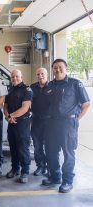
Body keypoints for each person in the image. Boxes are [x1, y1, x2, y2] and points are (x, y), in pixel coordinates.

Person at [42, 59, 90, 193]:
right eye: (55, 68)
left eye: (60, 67)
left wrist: (76, 120)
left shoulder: (75, 84)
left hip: (68, 124)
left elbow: (86, 104)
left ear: (66, 68)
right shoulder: (49, 85)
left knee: (68, 153)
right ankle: (55, 177)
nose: (57, 70)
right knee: (51, 152)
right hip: (52, 123)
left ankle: (67, 181)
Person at [4, 69, 32, 183]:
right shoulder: (10, 89)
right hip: (11, 124)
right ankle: (15, 169)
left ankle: (25, 172)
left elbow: (25, 108)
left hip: (22, 125)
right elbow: (5, 106)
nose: (14, 78)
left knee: (23, 149)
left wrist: (11, 116)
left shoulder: (27, 90)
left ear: (21, 77)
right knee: (13, 148)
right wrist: (7, 117)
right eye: (13, 77)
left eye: (17, 76)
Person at [30, 67, 49, 176]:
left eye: (42, 73)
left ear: (46, 75)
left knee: (49, 146)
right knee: (37, 146)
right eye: (38, 74)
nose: (40, 75)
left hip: (49, 122)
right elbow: (29, 102)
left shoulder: (52, 86)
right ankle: (40, 167)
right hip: (36, 120)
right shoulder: (32, 87)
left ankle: (49, 167)